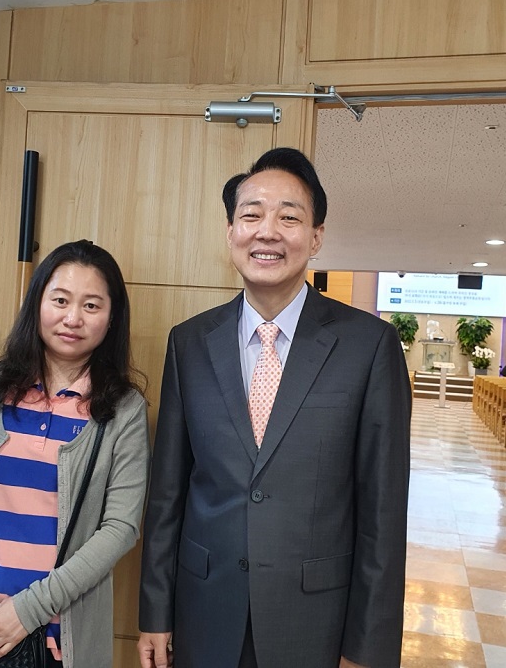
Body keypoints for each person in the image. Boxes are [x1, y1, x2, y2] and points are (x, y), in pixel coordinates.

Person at [137, 148, 412, 668]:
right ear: (230, 232)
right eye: (251, 215)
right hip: (204, 613)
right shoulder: (189, 343)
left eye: (289, 217)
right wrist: (155, 611)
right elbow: (168, 493)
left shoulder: (369, 346)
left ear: (316, 237)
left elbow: (383, 514)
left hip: (315, 624)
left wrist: (368, 650)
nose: (267, 232)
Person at [0, 239, 150, 667]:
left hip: (57, 642)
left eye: (91, 305)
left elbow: (120, 528)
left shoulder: (124, 409)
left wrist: (28, 610)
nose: (73, 318)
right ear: (37, 303)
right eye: (60, 300)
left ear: (111, 318)